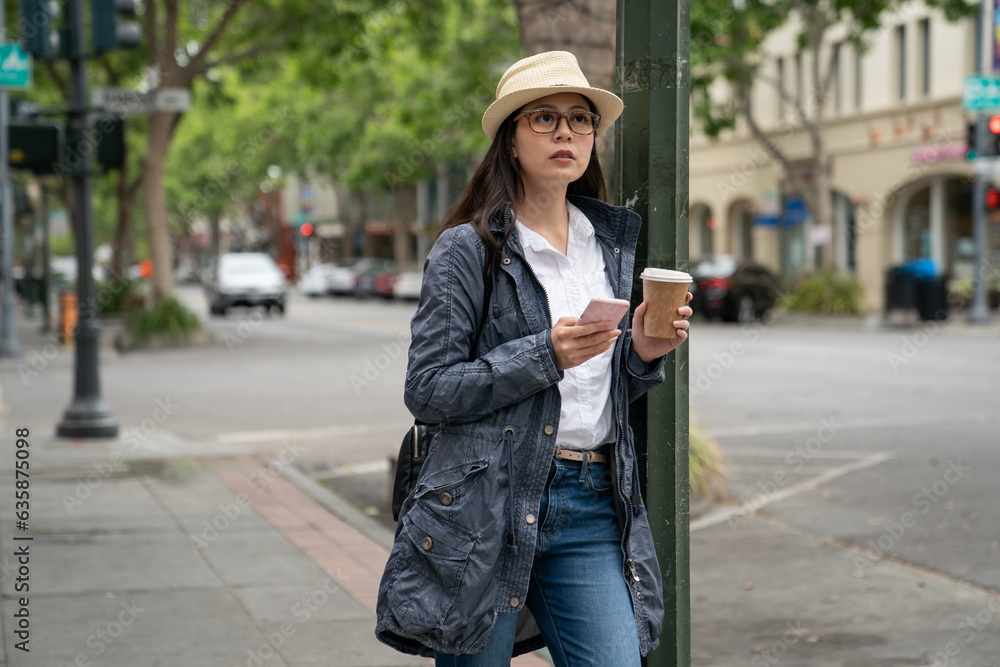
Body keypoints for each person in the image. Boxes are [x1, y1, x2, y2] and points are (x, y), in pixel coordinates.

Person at [375, 50, 693, 666]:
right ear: (511, 140)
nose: (566, 132)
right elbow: (429, 389)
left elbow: (589, 390)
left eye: (580, 119)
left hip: (590, 499)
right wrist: (543, 355)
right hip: (482, 507)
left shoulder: (608, 243)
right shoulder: (468, 250)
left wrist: (641, 353)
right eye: (544, 119)